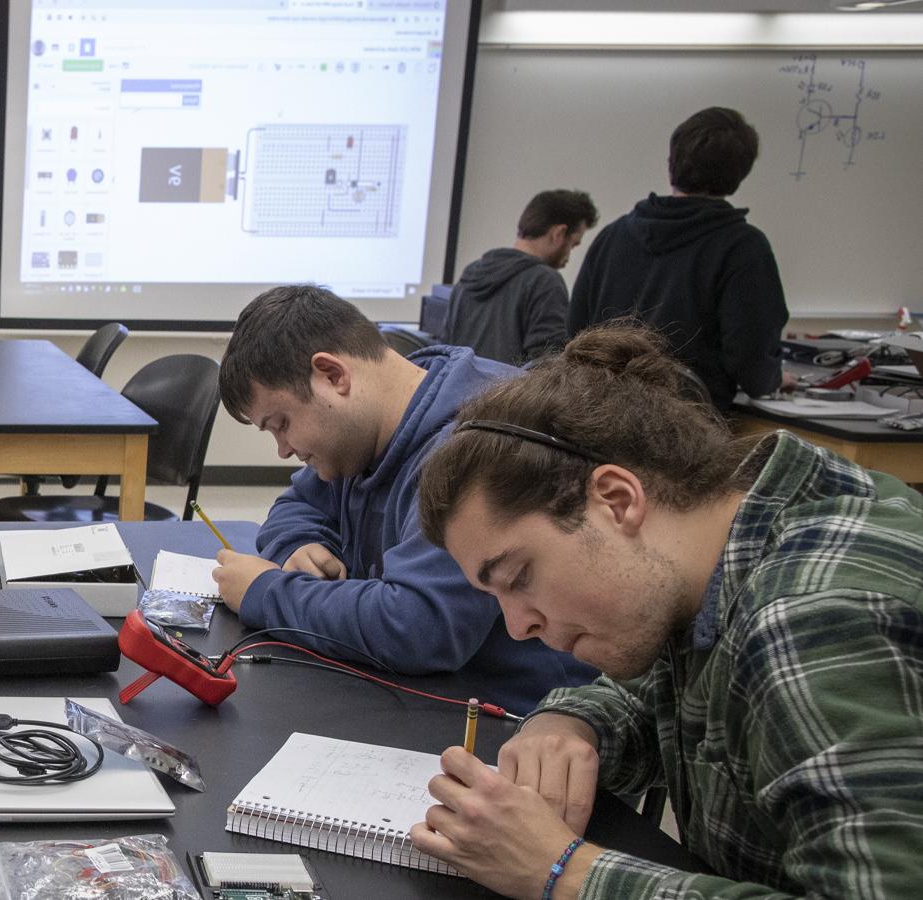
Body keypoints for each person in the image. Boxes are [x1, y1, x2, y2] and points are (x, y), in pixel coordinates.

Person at [409, 323, 923, 900]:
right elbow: (655, 693)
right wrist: (566, 723)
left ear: (617, 500)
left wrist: (564, 873)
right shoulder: (714, 552)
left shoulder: (813, 620)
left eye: (519, 578)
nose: (518, 625)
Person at [210, 285, 595, 714]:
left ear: (333, 375)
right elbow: (295, 505)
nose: (283, 448)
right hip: (420, 694)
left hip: (513, 721)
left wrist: (265, 592)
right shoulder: (369, 427)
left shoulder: (477, 449)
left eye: (281, 423)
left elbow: (418, 627)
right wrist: (298, 545)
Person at [568, 107, 790, 410]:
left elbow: (576, 337)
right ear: (740, 174)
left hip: (598, 417)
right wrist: (773, 378)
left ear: (671, 162)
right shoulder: (743, 247)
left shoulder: (613, 235)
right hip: (687, 429)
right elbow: (751, 362)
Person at [441, 189, 596, 365]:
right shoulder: (545, 282)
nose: (569, 255)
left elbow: (444, 353)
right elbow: (547, 367)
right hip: (508, 393)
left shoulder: (469, 276)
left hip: (458, 391)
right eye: (573, 244)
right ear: (558, 233)